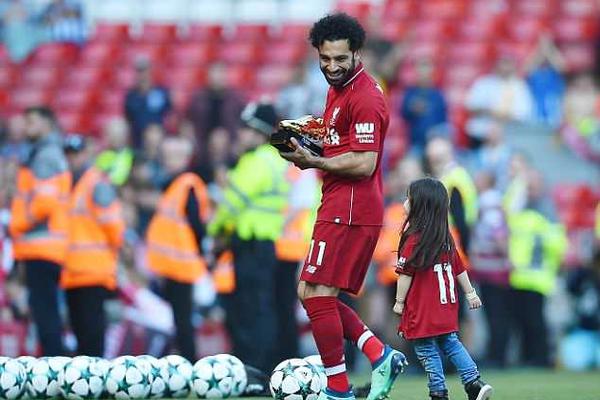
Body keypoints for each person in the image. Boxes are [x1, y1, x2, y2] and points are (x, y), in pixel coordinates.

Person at [279, 14, 407, 400]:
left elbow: (365, 162)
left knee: (316, 294)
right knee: (311, 292)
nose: (332, 66)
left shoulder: (365, 95)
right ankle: (379, 354)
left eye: (340, 59)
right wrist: (306, 135)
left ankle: (338, 388)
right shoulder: (338, 89)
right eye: (325, 59)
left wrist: (314, 161)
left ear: (356, 54)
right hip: (338, 202)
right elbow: (340, 139)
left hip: (351, 208)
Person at [393, 177, 493, 400]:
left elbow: (405, 275)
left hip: (424, 307)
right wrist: (470, 293)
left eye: (409, 198)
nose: (405, 203)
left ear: (420, 205)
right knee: (451, 343)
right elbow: (460, 268)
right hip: (446, 306)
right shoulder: (445, 237)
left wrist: (399, 302)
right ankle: (474, 382)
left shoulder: (414, 240)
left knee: (426, 349)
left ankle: (438, 391)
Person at [208, 101, 289, 372]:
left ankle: (254, 367)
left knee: (251, 309)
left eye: (245, 128)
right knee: (261, 307)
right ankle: (262, 364)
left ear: (258, 132)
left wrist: (213, 231)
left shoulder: (256, 162)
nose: (240, 134)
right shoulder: (271, 160)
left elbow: (231, 205)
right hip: (262, 244)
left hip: (252, 245)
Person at [9, 106, 71, 356]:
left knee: (45, 315)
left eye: (32, 122)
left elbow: (45, 203)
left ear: (47, 124)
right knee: (46, 312)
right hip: (45, 246)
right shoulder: (46, 153)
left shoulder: (45, 156)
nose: (27, 127)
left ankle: (56, 366)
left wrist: (19, 223)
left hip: (41, 245)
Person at [145, 136, 211, 362]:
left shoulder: (187, 184)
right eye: (166, 156)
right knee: (178, 320)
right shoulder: (174, 185)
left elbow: (197, 225)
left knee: (183, 320)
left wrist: (200, 254)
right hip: (171, 266)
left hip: (182, 265)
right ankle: (184, 360)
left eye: (174, 156)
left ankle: (189, 363)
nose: (168, 161)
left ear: (185, 158)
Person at [62, 134, 125, 357]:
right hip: (71, 272)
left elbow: (114, 228)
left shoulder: (97, 184)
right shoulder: (67, 184)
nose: (72, 159)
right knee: (80, 331)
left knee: (92, 332)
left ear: (86, 154)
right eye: (69, 154)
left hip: (93, 270)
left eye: (76, 154)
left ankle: (95, 374)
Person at [400, 59, 448, 157]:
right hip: (416, 143)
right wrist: (412, 108)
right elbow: (404, 113)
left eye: (426, 70)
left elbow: (442, 120)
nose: (423, 74)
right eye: (421, 70)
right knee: (411, 162)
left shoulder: (438, 94)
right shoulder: (410, 93)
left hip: (434, 143)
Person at [124, 58, 171, 149]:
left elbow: (169, 114)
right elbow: (128, 118)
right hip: (138, 142)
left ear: (150, 71)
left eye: (145, 70)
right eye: (139, 71)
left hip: (158, 141)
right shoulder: (131, 96)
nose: (142, 74)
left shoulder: (161, 92)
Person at [95, 117, 134, 186]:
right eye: (113, 134)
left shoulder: (133, 157)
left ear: (126, 136)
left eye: (119, 134)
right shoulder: (101, 156)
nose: (116, 138)